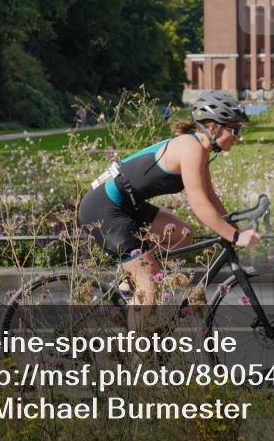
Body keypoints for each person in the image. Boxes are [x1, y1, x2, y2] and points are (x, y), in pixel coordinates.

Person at [78, 91, 260, 308]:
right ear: (212, 127)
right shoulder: (191, 148)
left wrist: (233, 228)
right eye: (234, 129)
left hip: (126, 206)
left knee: (181, 236)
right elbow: (199, 204)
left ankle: (127, 289)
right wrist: (234, 236)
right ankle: (135, 336)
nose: (238, 136)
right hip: (103, 208)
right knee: (149, 286)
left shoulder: (200, 149)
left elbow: (211, 198)